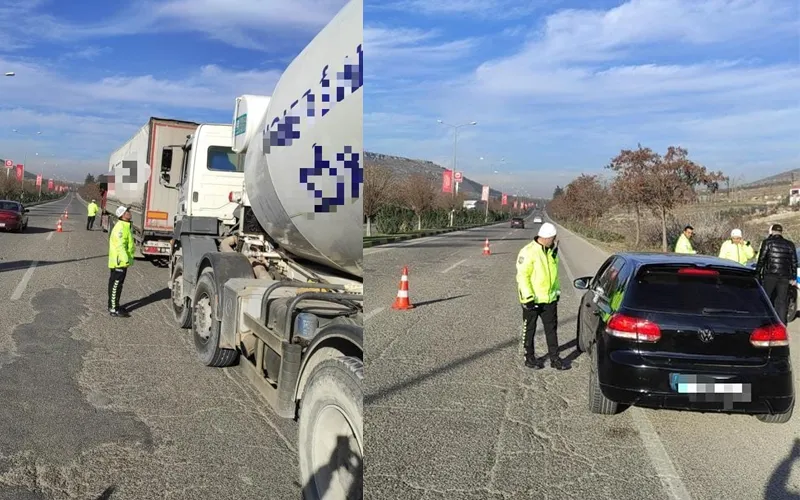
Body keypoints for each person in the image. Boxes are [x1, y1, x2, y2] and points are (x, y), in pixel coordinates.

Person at [515, 222, 568, 371]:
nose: (554, 240)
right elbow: (522, 276)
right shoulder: (528, 251)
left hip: (549, 300)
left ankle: (555, 358)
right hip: (532, 300)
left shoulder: (552, 252)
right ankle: (529, 357)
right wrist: (528, 297)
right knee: (529, 329)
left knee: (551, 330)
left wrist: (557, 293)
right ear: (546, 237)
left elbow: (555, 276)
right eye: (553, 238)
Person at [755, 223, 797, 324]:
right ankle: (781, 323)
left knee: (766, 298)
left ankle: (764, 321)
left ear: (772, 231)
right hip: (784, 276)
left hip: (770, 274)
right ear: (781, 232)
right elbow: (794, 262)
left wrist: (757, 272)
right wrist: (793, 276)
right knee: (781, 301)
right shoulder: (790, 244)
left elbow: (762, 259)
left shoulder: (768, 243)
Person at [108, 206, 135, 318]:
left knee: (117, 285)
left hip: (121, 261)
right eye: (127, 211)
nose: (130, 213)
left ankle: (115, 305)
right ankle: (113, 309)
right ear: (123, 215)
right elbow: (120, 245)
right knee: (116, 285)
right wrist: (125, 260)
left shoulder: (125, 225)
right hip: (119, 262)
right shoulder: (120, 227)